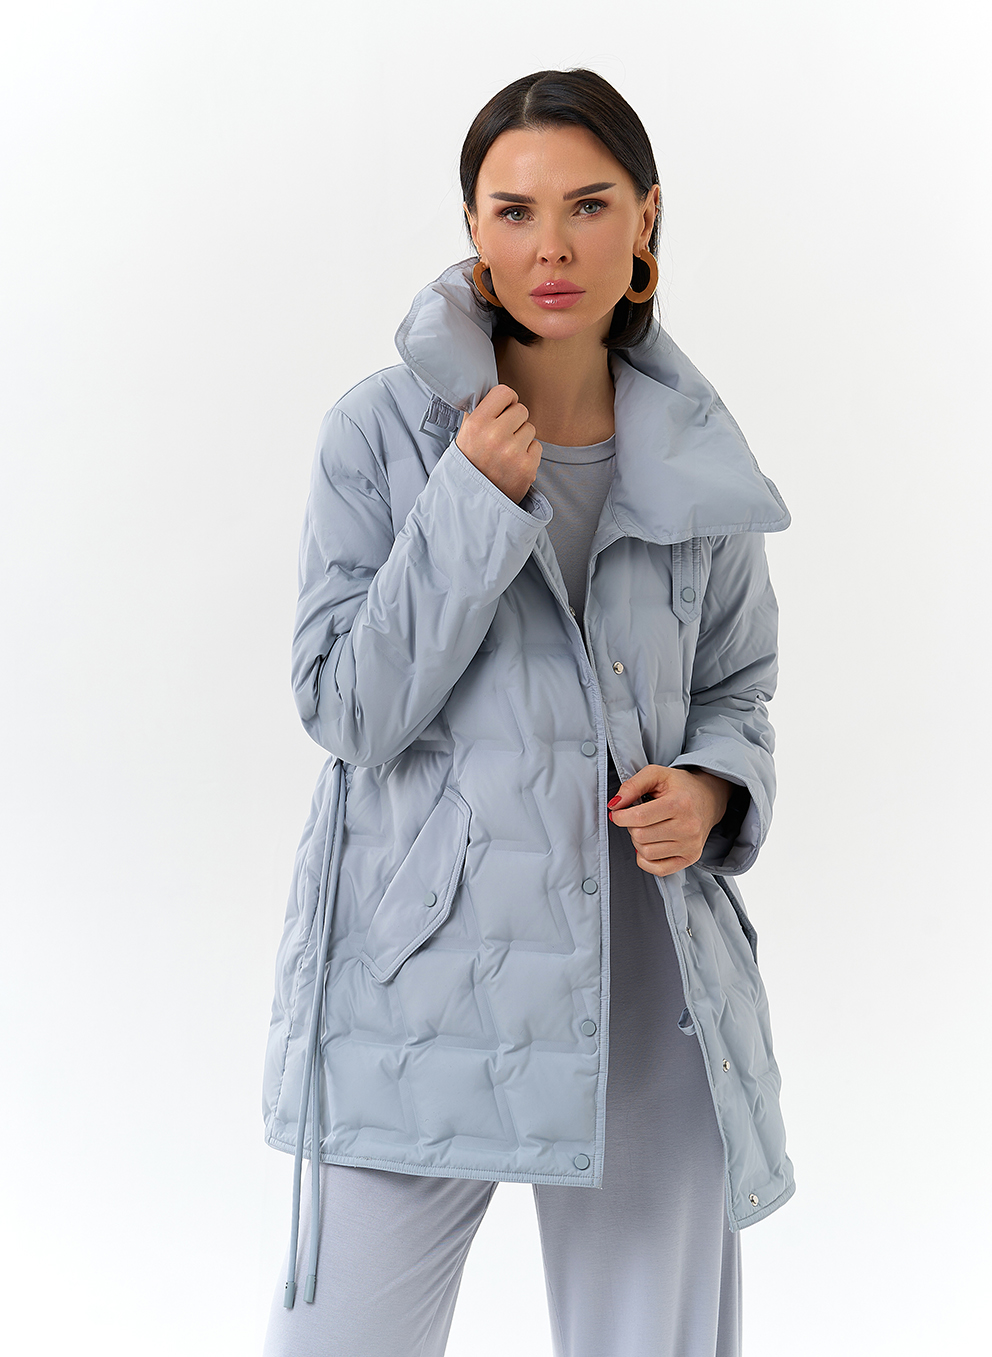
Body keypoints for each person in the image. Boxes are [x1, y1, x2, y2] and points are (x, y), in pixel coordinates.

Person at [261, 67, 795, 1357]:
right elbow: (345, 707)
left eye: (588, 205)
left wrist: (713, 790)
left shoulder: (693, 453)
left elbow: (738, 689)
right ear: (473, 228)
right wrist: (470, 501)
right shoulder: (380, 437)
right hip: (422, 980)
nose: (550, 246)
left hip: (649, 978)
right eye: (513, 211)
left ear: (646, 219)